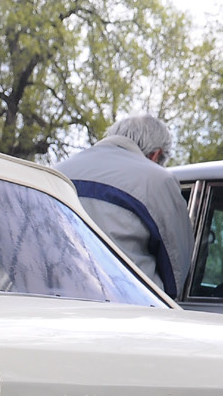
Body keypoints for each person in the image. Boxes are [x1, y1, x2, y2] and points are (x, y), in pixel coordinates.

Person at [56, 112, 193, 297]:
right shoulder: (158, 181)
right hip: (126, 311)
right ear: (156, 155)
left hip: (50, 304)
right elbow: (176, 275)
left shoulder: (56, 172)